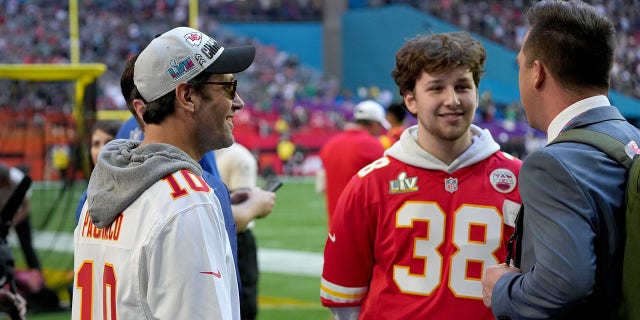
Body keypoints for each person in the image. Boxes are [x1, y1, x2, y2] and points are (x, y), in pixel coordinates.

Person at [320, 31, 523, 319]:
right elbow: (344, 300)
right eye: (436, 88)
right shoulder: (369, 185)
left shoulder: (520, 180)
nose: (452, 100)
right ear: (411, 100)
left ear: (476, 94)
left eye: (463, 86)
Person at [72, 26, 256, 319]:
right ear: (187, 97)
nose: (238, 102)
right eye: (227, 87)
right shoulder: (187, 202)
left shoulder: (102, 190)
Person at [481, 1, 640, 319]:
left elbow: (564, 285)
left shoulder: (551, 165)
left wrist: (501, 288)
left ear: (537, 73)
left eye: (521, 65)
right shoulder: (631, 139)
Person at [215, 142, 276, 320]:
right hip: (233, 236)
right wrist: (259, 205)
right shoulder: (237, 156)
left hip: (228, 236)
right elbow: (243, 209)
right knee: (240, 305)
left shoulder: (237, 157)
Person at [317, 99, 388, 225]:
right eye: (380, 126)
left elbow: (321, 187)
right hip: (362, 223)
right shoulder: (373, 146)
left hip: (335, 225)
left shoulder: (330, 145)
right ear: (373, 124)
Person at [74, 120, 122, 223]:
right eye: (96, 144)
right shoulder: (85, 199)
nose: (101, 150)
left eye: (108, 142)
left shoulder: (135, 192)